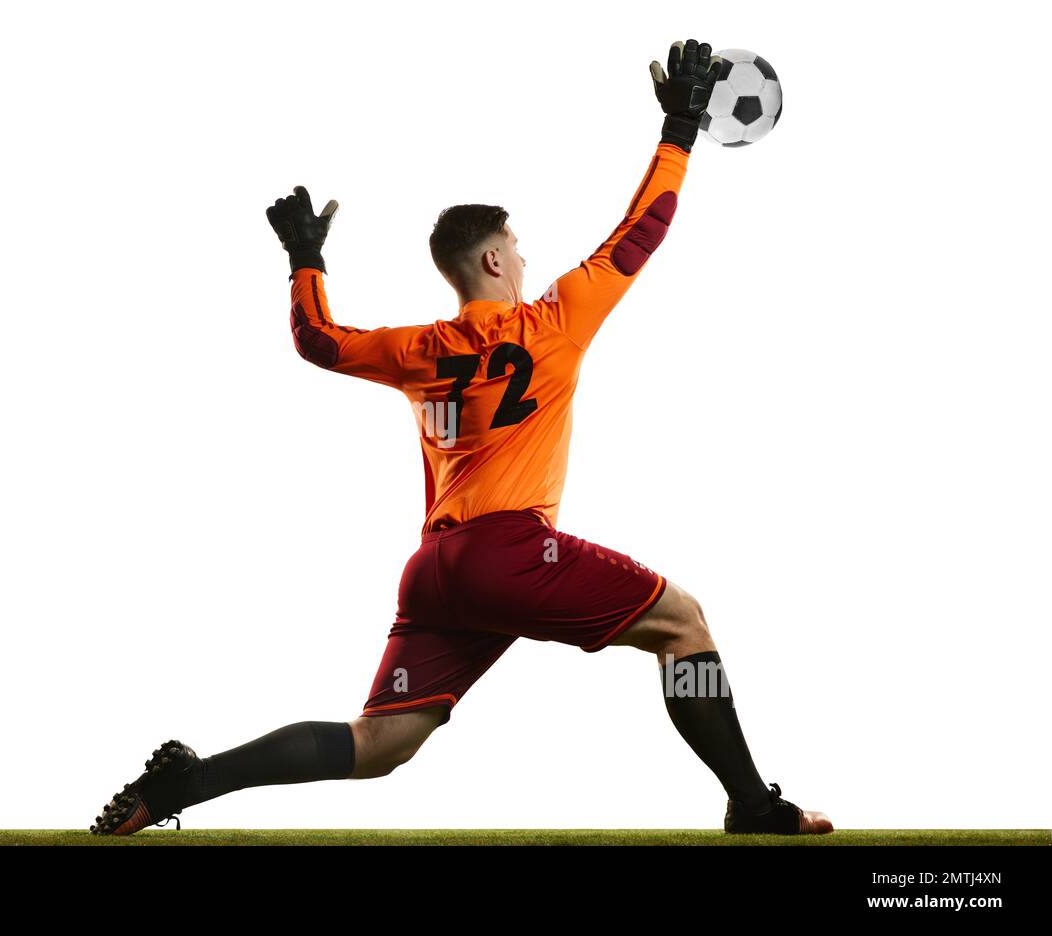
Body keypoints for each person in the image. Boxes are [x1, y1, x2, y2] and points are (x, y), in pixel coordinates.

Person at [91, 38, 831, 837]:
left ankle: (182, 785)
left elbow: (318, 339)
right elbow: (640, 231)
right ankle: (754, 808)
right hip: (512, 553)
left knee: (380, 745)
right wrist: (680, 131)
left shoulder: (416, 350)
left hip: (434, 570)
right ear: (491, 257)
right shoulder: (553, 322)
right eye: (516, 245)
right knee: (684, 626)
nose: (524, 255)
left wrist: (306, 257)